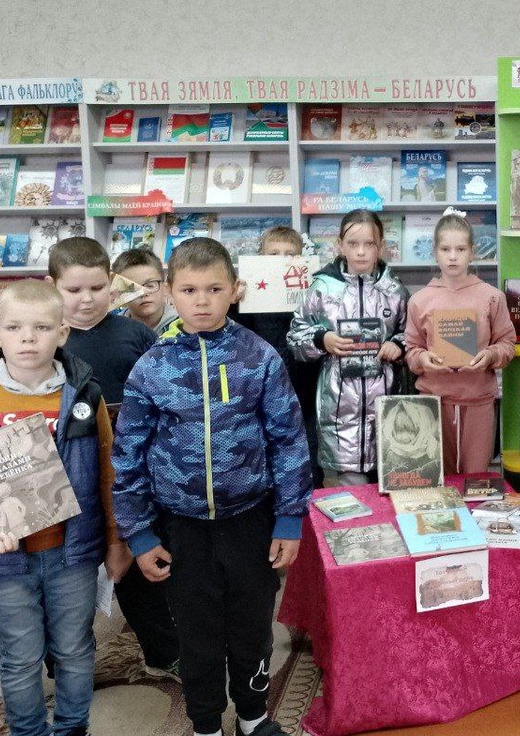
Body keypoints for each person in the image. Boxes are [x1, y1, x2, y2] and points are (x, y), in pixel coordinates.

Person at [113, 238, 313, 736]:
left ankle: (252, 715)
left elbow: (289, 439)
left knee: (252, 626)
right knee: (196, 633)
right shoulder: (151, 367)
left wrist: (289, 518)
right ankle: (205, 723)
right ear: (169, 292)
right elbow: (129, 455)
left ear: (235, 290)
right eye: (189, 290)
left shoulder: (260, 357)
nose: (201, 301)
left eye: (214, 289)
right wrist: (139, 533)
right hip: (180, 527)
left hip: (251, 518)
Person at [0, 279, 126, 736]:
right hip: (5, 557)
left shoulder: (85, 395)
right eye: (15, 327)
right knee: (20, 656)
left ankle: (72, 727)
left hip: (74, 553)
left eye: (41, 328)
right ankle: (28, 732)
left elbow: (108, 473)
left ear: (62, 333)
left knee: (75, 650)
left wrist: (116, 541)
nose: (27, 338)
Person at [48, 236, 181, 681]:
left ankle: (163, 654)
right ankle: (65, 663)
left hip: (132, 470)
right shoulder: (46, 341)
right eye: (73, 290)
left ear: (112, 283)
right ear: (52, 286)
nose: (86, 299)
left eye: (96, 287)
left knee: (140, 560)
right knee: (68, 570)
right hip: (67, 473)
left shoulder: (136, 335)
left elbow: (164, 395)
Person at [288, 209, 408, 486]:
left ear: (381, 246)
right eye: (353, 244)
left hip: (386, 402)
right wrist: (322, 340)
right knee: (352, 489)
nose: (361, 252)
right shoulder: (322, 289)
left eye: (369, 244)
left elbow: (412, 334)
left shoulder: (395, 291)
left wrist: (398, 346)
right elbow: (295, 336)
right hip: (340, 403)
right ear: (340, 245)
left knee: (390, 480)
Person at [404, 209, 515, 475]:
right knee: (436, 477)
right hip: (433, 404)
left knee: (475, 479)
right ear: (435, 252)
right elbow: (411, 350)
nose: (453, 256)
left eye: (461, 249)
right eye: (445, 249)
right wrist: (423, 358)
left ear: (472, 252)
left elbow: (507, 344)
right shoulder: (419, 300)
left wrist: (490, 356)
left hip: (478, 400)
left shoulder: (491, 297)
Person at [230, 225, 323, 489]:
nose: (281, 260)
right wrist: (233, 302)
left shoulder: (313, 293)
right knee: (261, 467)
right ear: (260, 258)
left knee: (307, 467)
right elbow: (233, 333)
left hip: (304, 395)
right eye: (273, 254)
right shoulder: (247, 296)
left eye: (290, 254)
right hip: (257, 399)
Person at [111, 247, 177, 334]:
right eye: (133, 288)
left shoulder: (185, 328)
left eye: (150, 285)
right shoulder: (112, 330)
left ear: (165, 288)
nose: (143, 293)